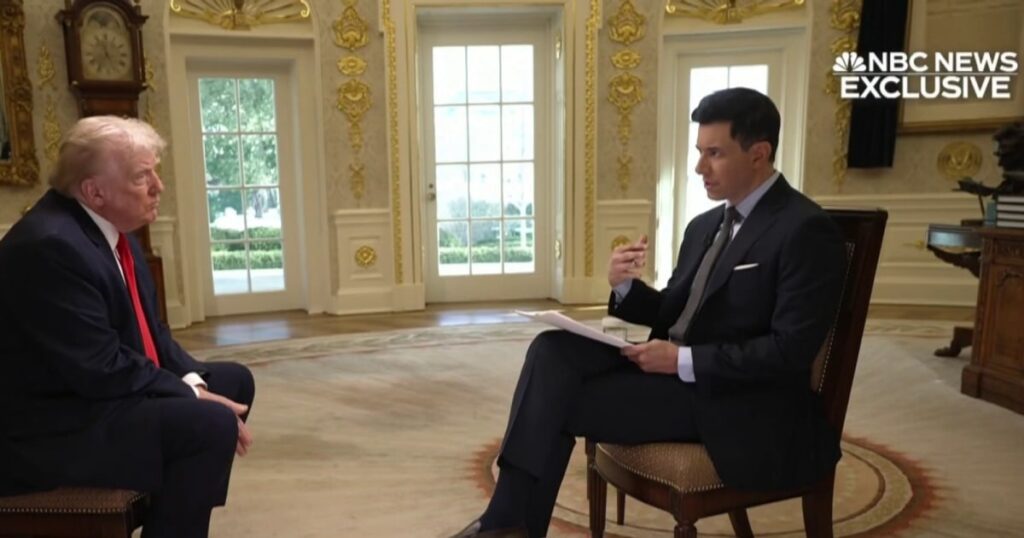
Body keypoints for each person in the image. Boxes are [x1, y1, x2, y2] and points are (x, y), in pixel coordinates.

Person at [451, 88, 846, 538]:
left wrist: (681, 361)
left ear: (759, 153)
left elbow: (789, 352)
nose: (699, 168)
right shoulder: (705, 226)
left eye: (714, 154)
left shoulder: (804, 229)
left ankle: (506, 526)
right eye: (699, 152)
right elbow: (672, 312)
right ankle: (508, 525)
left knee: (554, 402)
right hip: (674, 373)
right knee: (552, 350)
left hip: (736, 401)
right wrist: (623, 286)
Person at [0, 116, 255, 538]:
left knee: (233, 383)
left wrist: (193, 381)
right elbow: (100, 367)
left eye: (155, 172)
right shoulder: (50, 247)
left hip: (88, 395)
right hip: (48, 429)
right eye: (142, 176)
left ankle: (175, 515)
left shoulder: (110, 232)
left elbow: (152, 334)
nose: (158, 186)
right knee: (209, 423)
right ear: (94, 192)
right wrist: (192, 396)